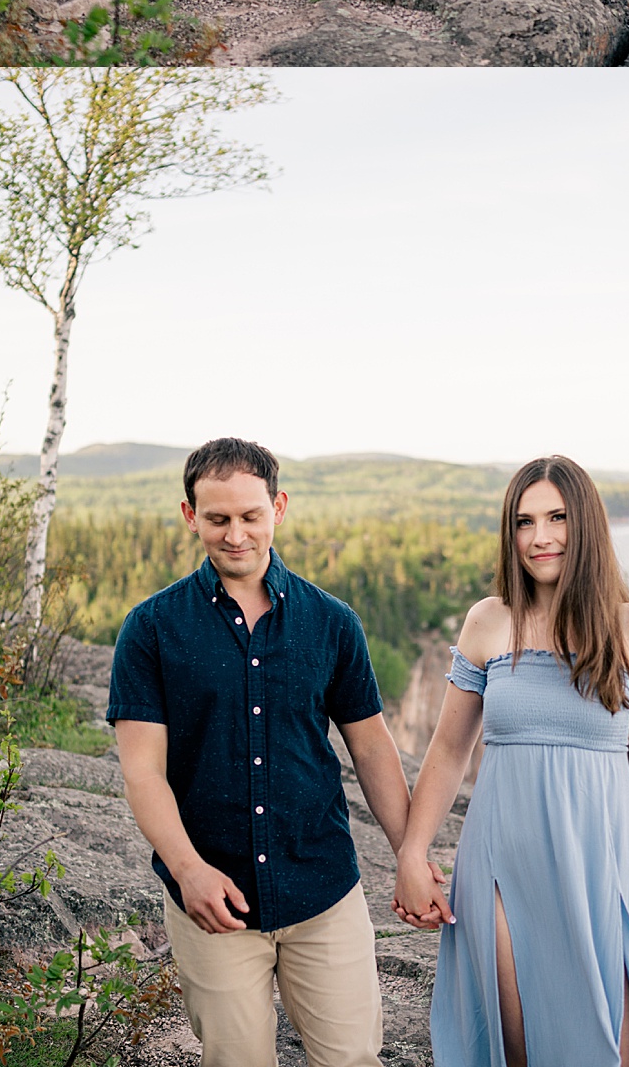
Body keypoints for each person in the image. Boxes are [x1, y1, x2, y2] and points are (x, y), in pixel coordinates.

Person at [109, 437, 433, 1067]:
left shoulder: (332, 622)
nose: (235, 535)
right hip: (214, 903)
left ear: (278, 508)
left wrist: (411, 856)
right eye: (217, 518)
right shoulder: (150, 629)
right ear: (189, 515)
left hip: (323, 892)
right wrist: (187, 869)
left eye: (250, 516)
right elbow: (142, 772)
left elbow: (370, 748)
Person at [392, 454, 629, 1067]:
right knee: (516, 1051)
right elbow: (446, 751)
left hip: (599, 867)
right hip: (500, 866)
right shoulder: (489, 623)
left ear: (586, 525)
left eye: (556, 518)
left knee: (616, 1051)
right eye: (524, 522)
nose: (539, 538)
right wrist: (412, 854)